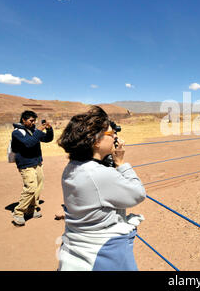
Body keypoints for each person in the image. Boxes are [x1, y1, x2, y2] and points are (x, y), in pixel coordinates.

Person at [56, 106, 146, 271]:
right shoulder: (98, 174)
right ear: (96, 140)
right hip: (103, 253)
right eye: (111, 134)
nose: (114, 138)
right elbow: (138, 194)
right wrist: (120, 163)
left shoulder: (72, 167)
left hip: (77, 249)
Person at [11, 110, 54, 226]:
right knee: (30, 187)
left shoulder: (33, 130)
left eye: (34, 120)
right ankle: (18, 212)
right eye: (31, 120)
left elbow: (47, 139)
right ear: (23, 120)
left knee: (38, 187)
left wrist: (49, 129)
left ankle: (31, 209)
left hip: (37, 163)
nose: (33, 122)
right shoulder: (17, 132)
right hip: (25, 164)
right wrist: (39, 131)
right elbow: (29, 143)